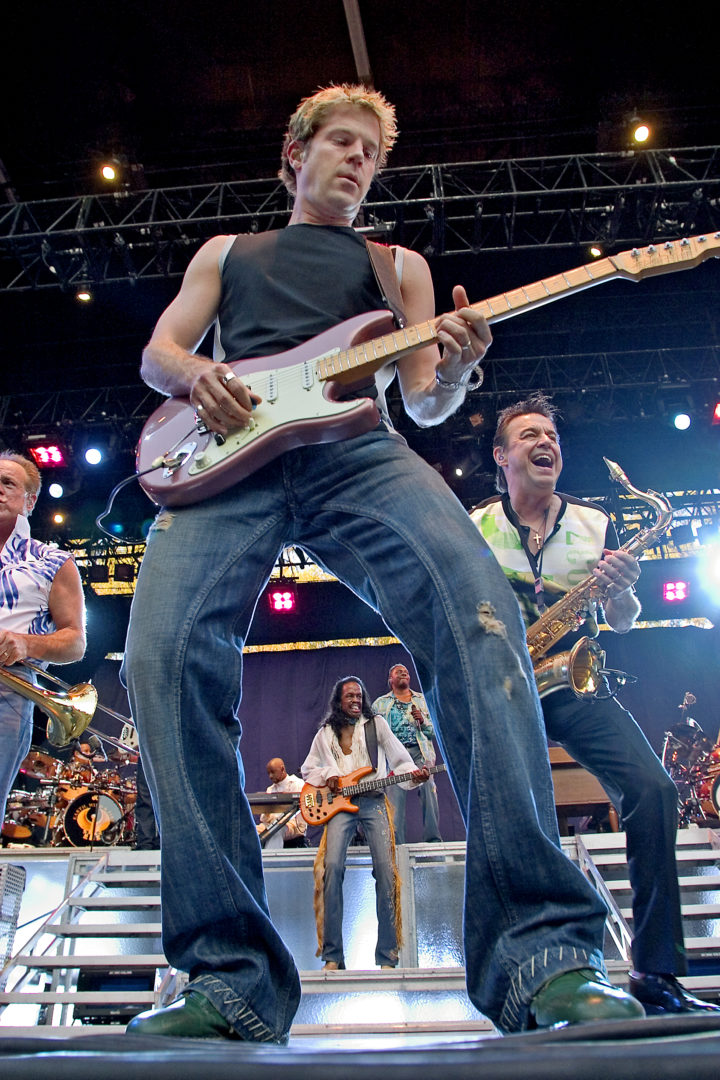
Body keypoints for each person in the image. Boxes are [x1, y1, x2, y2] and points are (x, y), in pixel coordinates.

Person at [123, 84, 644, 1044]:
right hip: (231, 457)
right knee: (158, 659)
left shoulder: (398, 266)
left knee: (480, 619)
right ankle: (229, 980)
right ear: (295, 155)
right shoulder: (227, 253)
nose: (360, 161)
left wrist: (459, 364)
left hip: (358, 452)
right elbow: (161, 354)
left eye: (373, 152)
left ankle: (543, 956)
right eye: (343, 143)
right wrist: (199, 375)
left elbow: (427, 403)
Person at [471, 392, 720, 1016]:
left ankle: (656, 973)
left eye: (551, 435)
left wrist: (622, 592)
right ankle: (527, 974)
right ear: (501, 456)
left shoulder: (593, 523)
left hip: (575, 679)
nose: (545, 443)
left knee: (653, 790)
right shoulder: (475, 526)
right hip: (505, 685)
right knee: (517, 820)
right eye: (529, 435)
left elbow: (625, 620)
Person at [301, 676, 427, 970]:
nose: (356, 700)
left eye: (359, 696)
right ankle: (333, 957)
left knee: (386, 872)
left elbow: (400, 760)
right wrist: (329, 776)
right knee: (331, 868)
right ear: (338, 701)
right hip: (340, 806)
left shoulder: (376, 725)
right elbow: (308, 769)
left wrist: (414, 774)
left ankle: (387, 957)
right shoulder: (325, 734)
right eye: (350, 696)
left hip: (373, 800)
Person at [0, 453, 87, 823]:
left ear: (30, 501)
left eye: (7, 483)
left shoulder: (54, 561)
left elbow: (75, 642)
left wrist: (24, 643)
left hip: (8, 688)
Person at [372, 663, 441, 843]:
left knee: (428, 789)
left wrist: (424, 722)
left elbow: (436, 733)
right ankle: (397, 845)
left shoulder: (422, 700)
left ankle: (433, 840)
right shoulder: (380, 704)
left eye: (406, 672)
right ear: (391, 679)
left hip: (420, 753)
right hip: (395, 757)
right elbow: (371, 733)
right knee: (395, 799)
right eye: (398, 672)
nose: (403, 673)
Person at [257, 757, 307, 849]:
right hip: (272, 824)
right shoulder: (270, 789)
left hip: (293, 825)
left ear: (282, 769)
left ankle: (272, 858)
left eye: (273, 772)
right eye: (268, 773)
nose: (270, 776)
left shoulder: (298, 784)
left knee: (275, 830)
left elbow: (303, 809)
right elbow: (264, 819)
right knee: (252, 831)